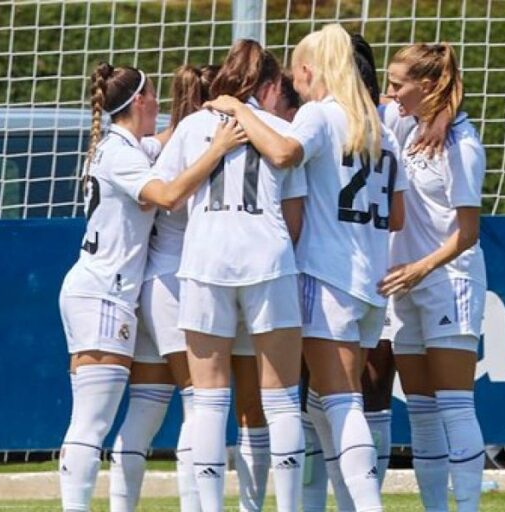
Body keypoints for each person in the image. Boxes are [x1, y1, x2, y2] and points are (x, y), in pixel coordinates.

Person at [205, 23, 406, 512]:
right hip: (369, 283)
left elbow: (282, 152)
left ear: (312, 70)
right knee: (323, 407)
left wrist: (238, 109)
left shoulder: (321, 115)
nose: (294, 85)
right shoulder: (380, 128)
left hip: (327, 277)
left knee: (340, 403)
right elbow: (397, 215)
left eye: (296, 74)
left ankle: (368, 505)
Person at [59, 61, 245, 512]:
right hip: (103, 291)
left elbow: (168, 139)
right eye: (155, 95)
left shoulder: (126, 144)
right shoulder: (120, 153)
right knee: (91, 421)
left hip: (125, 292)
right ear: (139, 100)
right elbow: (168, 196)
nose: (160, 104)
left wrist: (201, 110)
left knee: (145, 410)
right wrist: (218, 147)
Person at [168, 39, 307, 512]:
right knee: (282, 400)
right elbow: (294, 220)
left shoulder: (191, 126)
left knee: (209, 401)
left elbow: (167, 193)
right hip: (268, 260)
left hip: (205, 261)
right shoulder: (280, 128)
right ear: (269, 85)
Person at [380, 43, 488, 512]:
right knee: (421, 413)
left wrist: (420, 268)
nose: (390, 94)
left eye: (397, 85)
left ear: (425, 86)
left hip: (449, 280)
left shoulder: (462, 144)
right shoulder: (406, 123)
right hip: (407, 283)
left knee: (455, 405)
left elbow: (468, 233)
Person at [107, 63, 211, 512]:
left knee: (146, 409)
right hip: (177, 282)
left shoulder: (154, 145)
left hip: (150, 283)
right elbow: (172, 196)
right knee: (201, 401)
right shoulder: (200, 144)